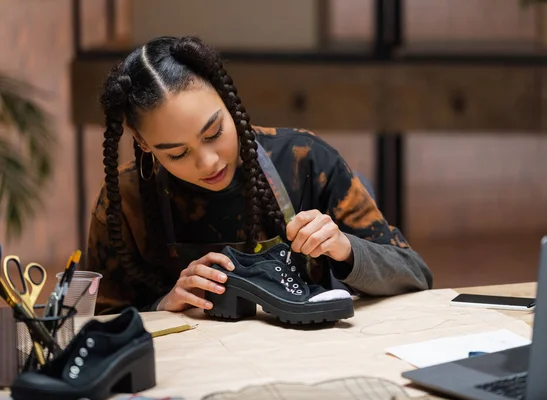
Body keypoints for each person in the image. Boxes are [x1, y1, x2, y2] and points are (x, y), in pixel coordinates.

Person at [84, 35, 433, 315]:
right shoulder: (125, 200)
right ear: (143, 143)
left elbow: (416, 275)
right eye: (177, 153)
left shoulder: (303, 159)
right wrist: (162, 306)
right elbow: (96, 320)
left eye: (214, 133)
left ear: (227, 100)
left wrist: (346, 249)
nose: (208, 163)